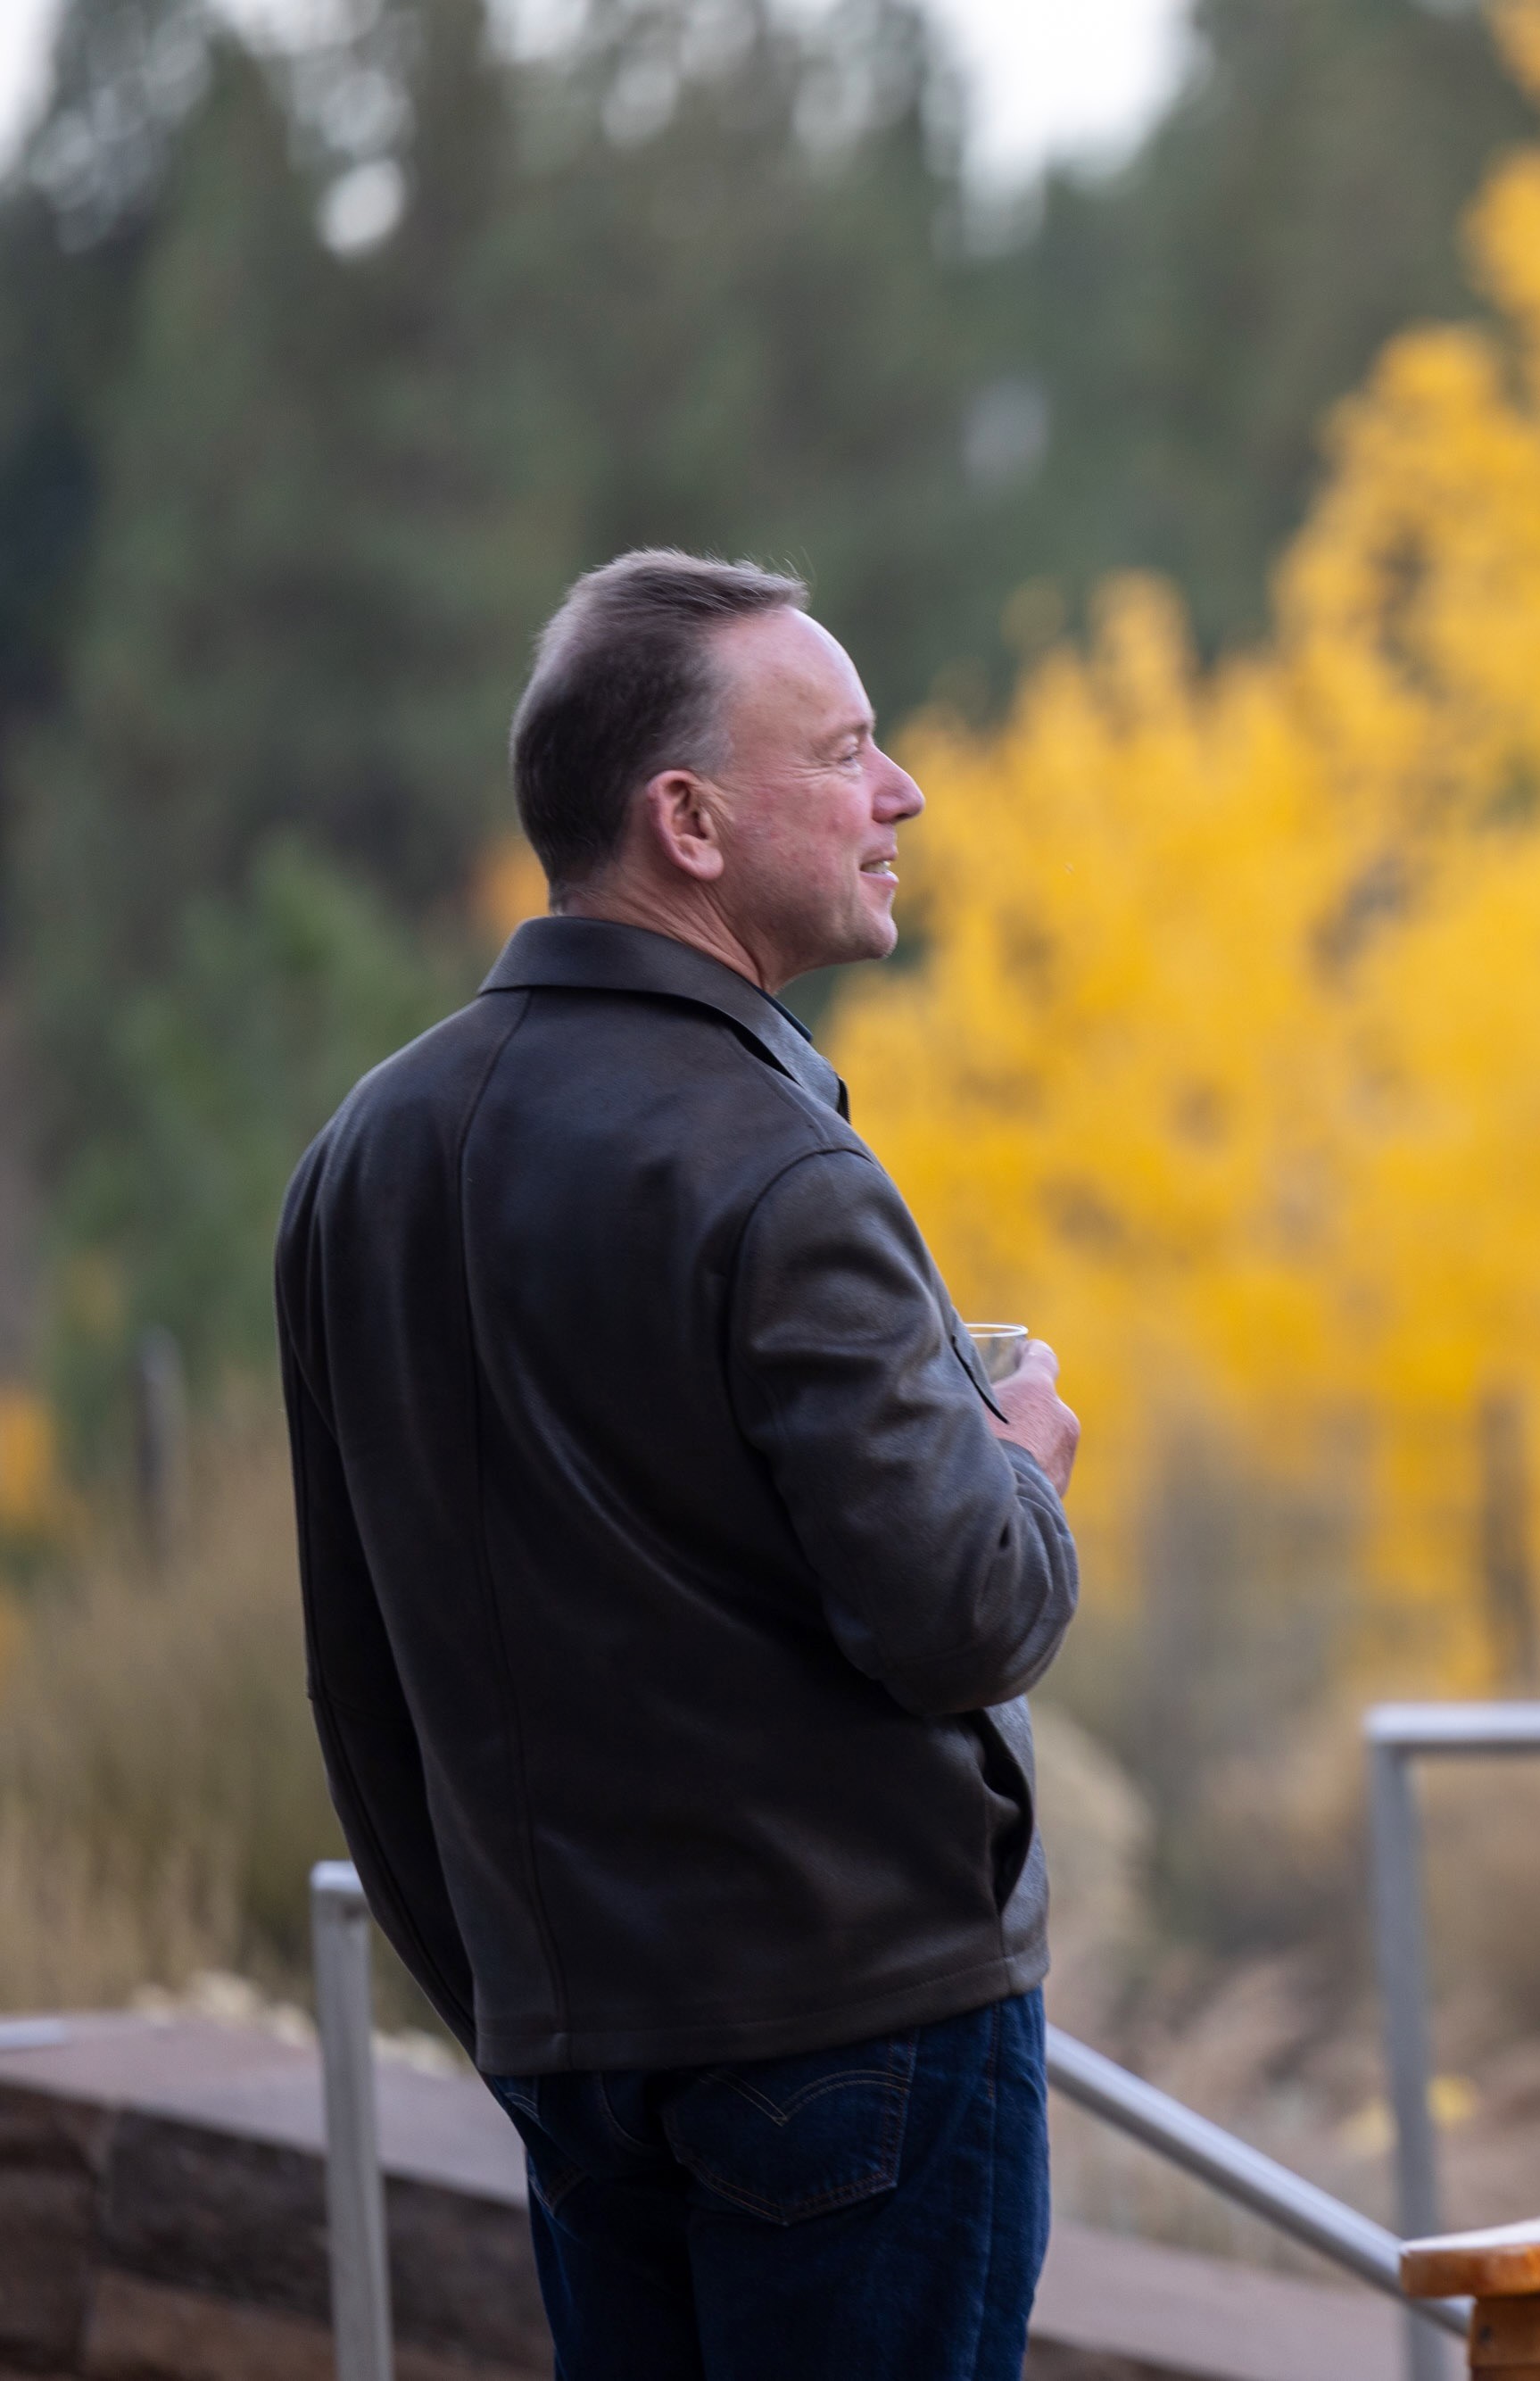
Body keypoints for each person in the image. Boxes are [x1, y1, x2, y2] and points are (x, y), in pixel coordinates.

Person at [277, 551, 1084, 2380]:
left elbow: (356, 1671)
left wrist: (516, 2010)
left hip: (577, 2052)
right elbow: (966, 1611)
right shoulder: (777, 1166)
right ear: (689, 820)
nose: (902, 793)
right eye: (851, 748)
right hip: (860, 2038)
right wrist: (1019, 1460)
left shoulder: (360, 1159)